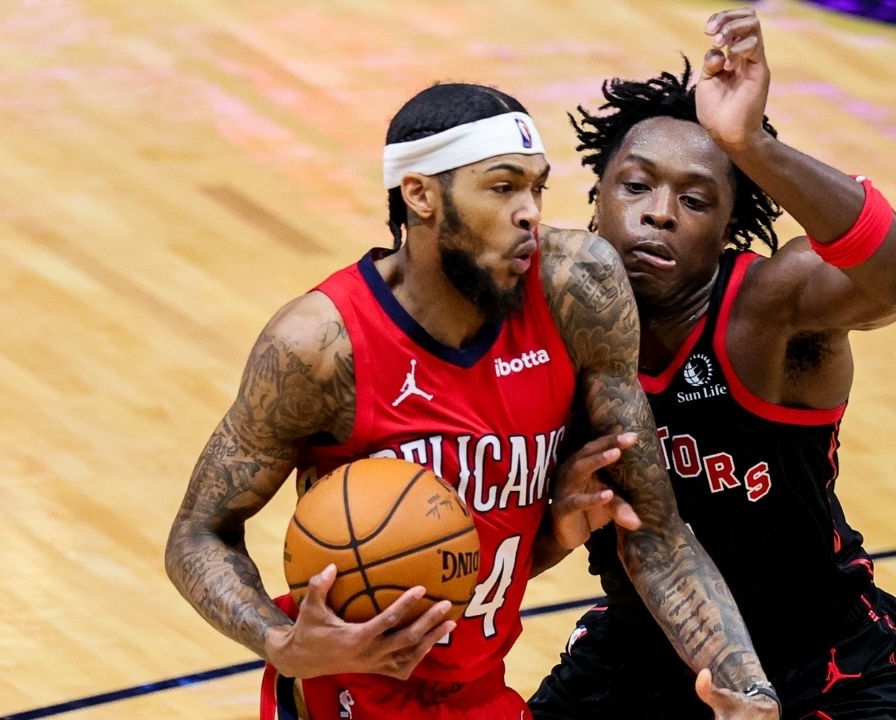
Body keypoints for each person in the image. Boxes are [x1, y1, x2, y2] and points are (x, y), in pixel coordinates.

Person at [164, 81, 779, 719]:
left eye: (537, 187)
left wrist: (747, 690)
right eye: (502, 186)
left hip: (483, 698)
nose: (531, 212)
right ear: (421, 194)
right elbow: (197, 534)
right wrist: (281, 643)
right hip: (342, 703)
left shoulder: (576, 286)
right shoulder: (320, 347)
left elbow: (654, 530)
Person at [530, 8, 896, 720]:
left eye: (694, 199)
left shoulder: (766, 308)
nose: (659, 214)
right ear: (596, 195)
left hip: (819, 662)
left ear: (727, 226)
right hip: (639, 655)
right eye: (636, 186)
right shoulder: (549, 314)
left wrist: (750, 144)